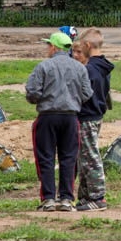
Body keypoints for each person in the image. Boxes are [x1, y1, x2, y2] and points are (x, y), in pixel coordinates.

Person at [26, 31, 92, 212]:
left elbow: (32, 92)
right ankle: (66, 199)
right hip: (71, 117)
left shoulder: (43, 67)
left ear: (54, 47)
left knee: (45, 158)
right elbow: (87, 93)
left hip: (47, 117)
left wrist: (41, 99)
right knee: (69, 158)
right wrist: (73, 99)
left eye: (48, 45)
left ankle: (48, 199)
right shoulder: (80, 68)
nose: (47, 48)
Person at [76, 28, 113, 212]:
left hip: (87, 116)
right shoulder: (103, 66)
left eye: (81, 48)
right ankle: (84, 198)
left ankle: (98, 197)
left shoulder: (90, 69)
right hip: (96, 115)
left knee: (90, 157)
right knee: (83, 158)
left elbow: (85, 94)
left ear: (88, 45)